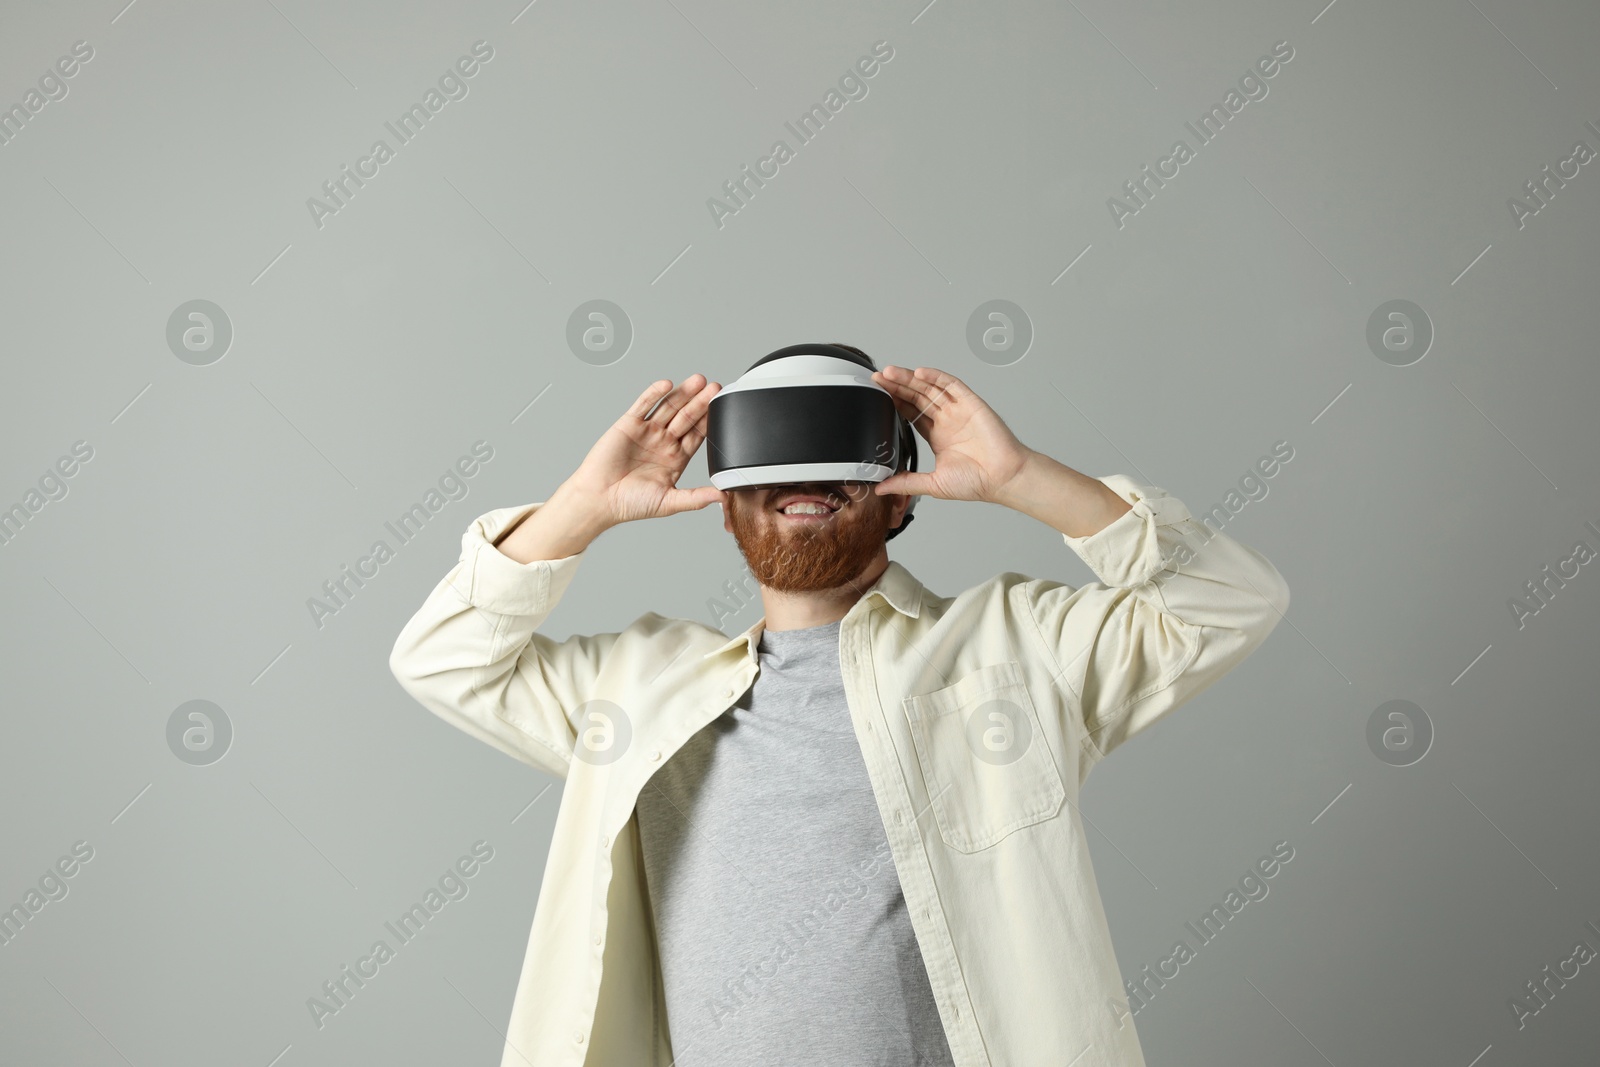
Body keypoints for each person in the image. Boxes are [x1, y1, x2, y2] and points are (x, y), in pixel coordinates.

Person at [388, 346, 1290, 1067]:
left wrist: (1022, 477)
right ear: (726, 509)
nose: (803, 488)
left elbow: (1229, 600)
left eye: (839, 470)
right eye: (769, 473)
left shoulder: (1016, 652)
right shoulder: (633, 690)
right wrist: (580, 508)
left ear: (899, 502)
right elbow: (441, 658)